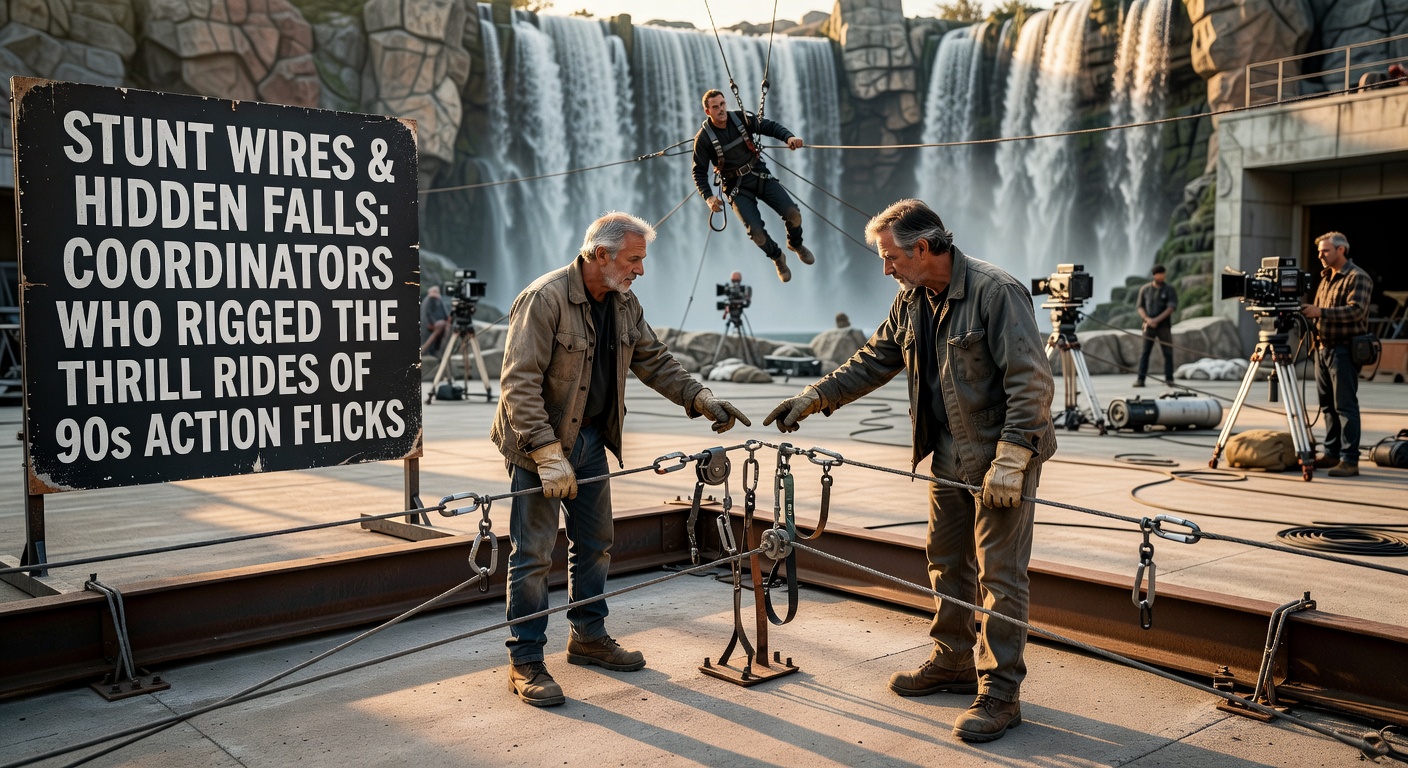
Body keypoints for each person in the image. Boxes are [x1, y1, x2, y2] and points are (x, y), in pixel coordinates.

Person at [763, 199, 1055, 743]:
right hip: (948, 452)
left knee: (1000, 574)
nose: (886, 267)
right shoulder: (912, 298)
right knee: (946, 560)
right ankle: (952, 661)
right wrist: (813, 398)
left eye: (890, 255)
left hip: (1000, 456)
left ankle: (1000, 693)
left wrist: (1013, 459)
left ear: (923, 248)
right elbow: (875, 357)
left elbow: (1031, 383)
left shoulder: (997, 292)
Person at [491, 211, 751, 707]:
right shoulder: (543, 299)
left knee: (595, 542)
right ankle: (525, 660)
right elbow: (517, 384)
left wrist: (701, 399)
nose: (641, 270)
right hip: (537, 446)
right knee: (532, 556)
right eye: (634, 259)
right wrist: (546, 453)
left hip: (589, 441)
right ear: (599, 255)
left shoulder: (623, 301)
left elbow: (654, 359)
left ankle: (588, 636)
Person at [692, 89, 814, 283]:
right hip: (736, 187)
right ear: (708, 112)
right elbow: (698, 172)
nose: (721, 109)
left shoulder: (741, 119)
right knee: (756, 233)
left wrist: (788, 137)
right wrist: (708, 197)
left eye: (722, 104)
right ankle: (777, 257)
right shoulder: (704, 138)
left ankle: (796, 244)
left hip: (759, 174)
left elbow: (769, 126)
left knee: (793, 214)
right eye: (715, 107)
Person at [1302, 231, 1373, 477]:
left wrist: (1319, 312)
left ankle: (1349, 460)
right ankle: (1332, 453)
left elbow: (1355, 311)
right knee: (1327, 406)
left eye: (1325, 250)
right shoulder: (1325, 277)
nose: (1320, 255)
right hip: (1322, 349)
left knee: (1345, 406)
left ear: (1341, 250)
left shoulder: (1358, 277)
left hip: (1344, 349)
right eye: (1320, 251)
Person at [1134, 264, 1178, 387]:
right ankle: (1140, 379)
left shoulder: (1169, 289)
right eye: (1160, 274)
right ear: (1154, 275)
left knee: (1168, 352)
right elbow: (1140, 306)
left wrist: (1156, 320)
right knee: (1145, 352)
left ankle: (1169, 379)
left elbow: (1171, 307)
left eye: (1163, 273)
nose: (1162, 276)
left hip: (1163, 326)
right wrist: (1148, 319)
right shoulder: (1145, 289)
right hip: (1148, 326)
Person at [420, 285, 450, 355]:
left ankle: (434, 349)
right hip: (428, 323)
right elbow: (428, 313)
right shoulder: (430, 299)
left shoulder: (433, 300)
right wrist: (433, 323)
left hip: (429, 322)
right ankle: (427, 348)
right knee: (443, 327)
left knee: (443, 327)